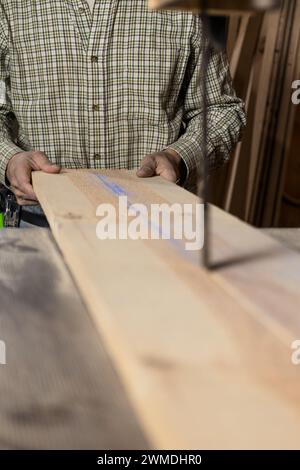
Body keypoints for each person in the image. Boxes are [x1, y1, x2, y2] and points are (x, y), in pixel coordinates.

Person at [0, 0, 245, 226]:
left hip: (154, 221)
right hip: (39, 221)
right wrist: (9, 159)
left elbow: (220, 110)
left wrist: (178, 157)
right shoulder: (9, 6)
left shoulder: (184, 7)